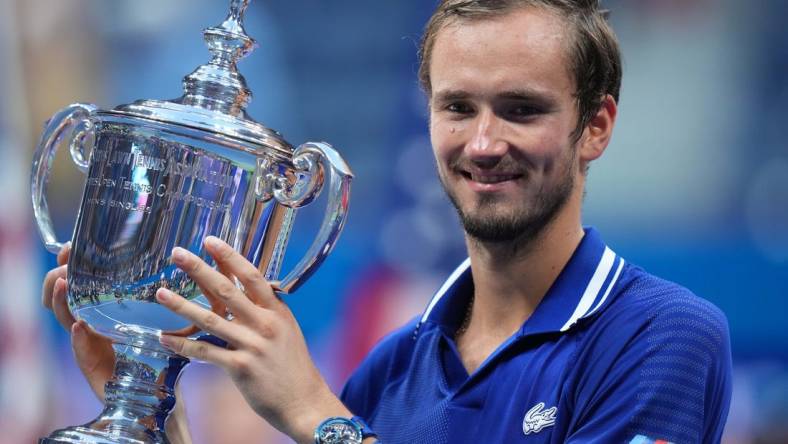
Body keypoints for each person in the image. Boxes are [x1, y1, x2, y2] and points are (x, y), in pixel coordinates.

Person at [42, 1, 732, 443]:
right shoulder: (391, 368)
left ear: (596, 126)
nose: (484, 142)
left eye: (522, 109)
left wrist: (317, 415)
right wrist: (151, 415)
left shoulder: (662, 335)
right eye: (458, 108)